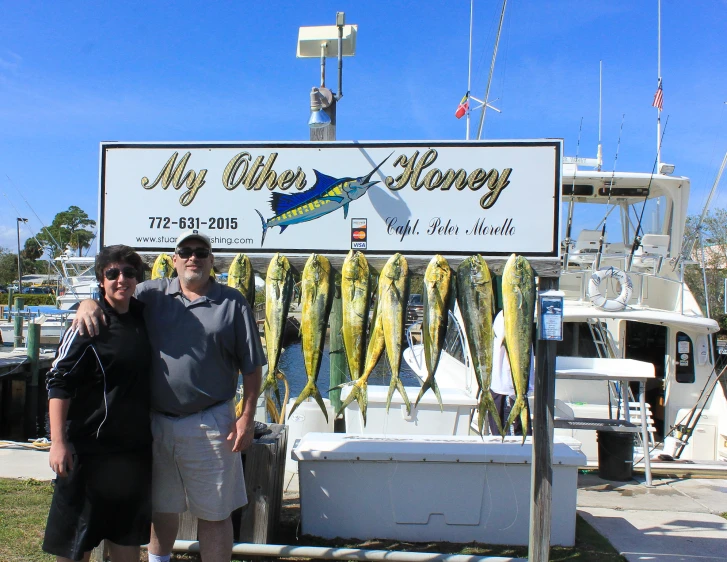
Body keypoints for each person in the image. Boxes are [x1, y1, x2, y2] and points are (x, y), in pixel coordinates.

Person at [73, 230, 265, 562]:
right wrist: (87, 302)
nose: (193, 257)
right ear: (174, 259)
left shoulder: (233, 302)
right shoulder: (150, 294)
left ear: (211, 260)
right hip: (155, 423)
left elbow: (252, 368)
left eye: (201, 251)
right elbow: (113, 299)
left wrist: (247, 417)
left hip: (212, 423)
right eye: (185, 251)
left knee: (215, 514)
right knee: (161, 509)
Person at [43, 245, 152, 562]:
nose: (122, 279)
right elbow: (57, 381)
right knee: (77, 546)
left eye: (129, 273)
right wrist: (58, 443)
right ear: (101, 280)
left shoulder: (143, 318)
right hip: (89, 452)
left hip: (133, 453)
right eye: (112, 273)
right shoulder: (87, 324)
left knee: (126, 542)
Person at [488, 310, 535, 436]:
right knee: (510, 438)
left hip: (509, 389)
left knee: (514, 437)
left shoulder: (514, 314)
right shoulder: (508, 315)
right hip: (507, 390)